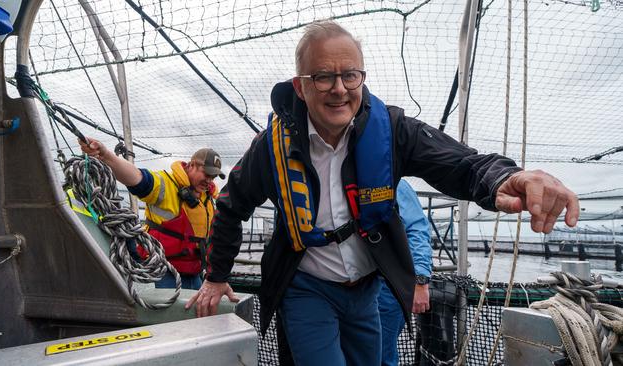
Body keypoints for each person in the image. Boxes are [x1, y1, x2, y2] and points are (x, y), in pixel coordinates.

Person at [187, 20, 579, 366]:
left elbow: (460, 163)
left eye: (350, 75)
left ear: (362, 78)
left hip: (366, 291)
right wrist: (216, 275)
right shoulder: (270, 147)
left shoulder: (390, 129)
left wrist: (506, 178)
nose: (339, 89)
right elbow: (231, 205)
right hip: (306, 287)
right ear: (301, 87)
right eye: (323, 77)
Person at [80, 138, 225, 290]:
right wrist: (105, 155)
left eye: (213, 177)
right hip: (163, 272)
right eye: (206, 174)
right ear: (192, 165)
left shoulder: (209, 196)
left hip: (195, 273)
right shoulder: (166, 184)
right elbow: (137, 177)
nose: (209, 180)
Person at [378, 179, 431, 366]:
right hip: (348, 285)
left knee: (381, 354)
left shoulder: (396, 183)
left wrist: (420, 280)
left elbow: (416, 230)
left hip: (386, 287)